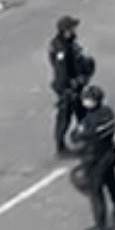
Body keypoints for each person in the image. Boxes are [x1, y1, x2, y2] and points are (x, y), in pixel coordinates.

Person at [72, 84, 115, 230]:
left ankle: (101, 225)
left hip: (95, 158)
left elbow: (77, 136)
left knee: (96, 192)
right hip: (110, 152)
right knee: (112, 182)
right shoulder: (107, 112)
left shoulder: (89, 121)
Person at [50, 15, 95, 156]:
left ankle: (86, 139)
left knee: (82, 112)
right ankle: (61, 147)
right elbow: (61, 71)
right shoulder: (61, 48)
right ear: (66, 30)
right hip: (68, 88)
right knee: (65, 117)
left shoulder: (70, 43)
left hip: (77, 84)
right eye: (72, 28)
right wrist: (68, 88)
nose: (75, 30)